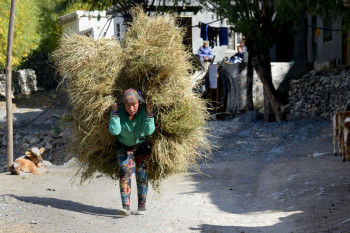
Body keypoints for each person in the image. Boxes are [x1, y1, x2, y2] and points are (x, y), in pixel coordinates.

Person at [109, 88, 155, 216]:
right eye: (128, 105)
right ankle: (126, 207)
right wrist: (115, 112)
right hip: (124, 145)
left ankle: (141, 206)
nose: (131, 108)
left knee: (142, 174)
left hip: (142, 145)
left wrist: (149, 114)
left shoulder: (145, 110)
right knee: (125, 173)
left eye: (134, 104)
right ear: (123, 104)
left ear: (139, 103)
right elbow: (115, 131)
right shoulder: (118, 111)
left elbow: (149, 131)